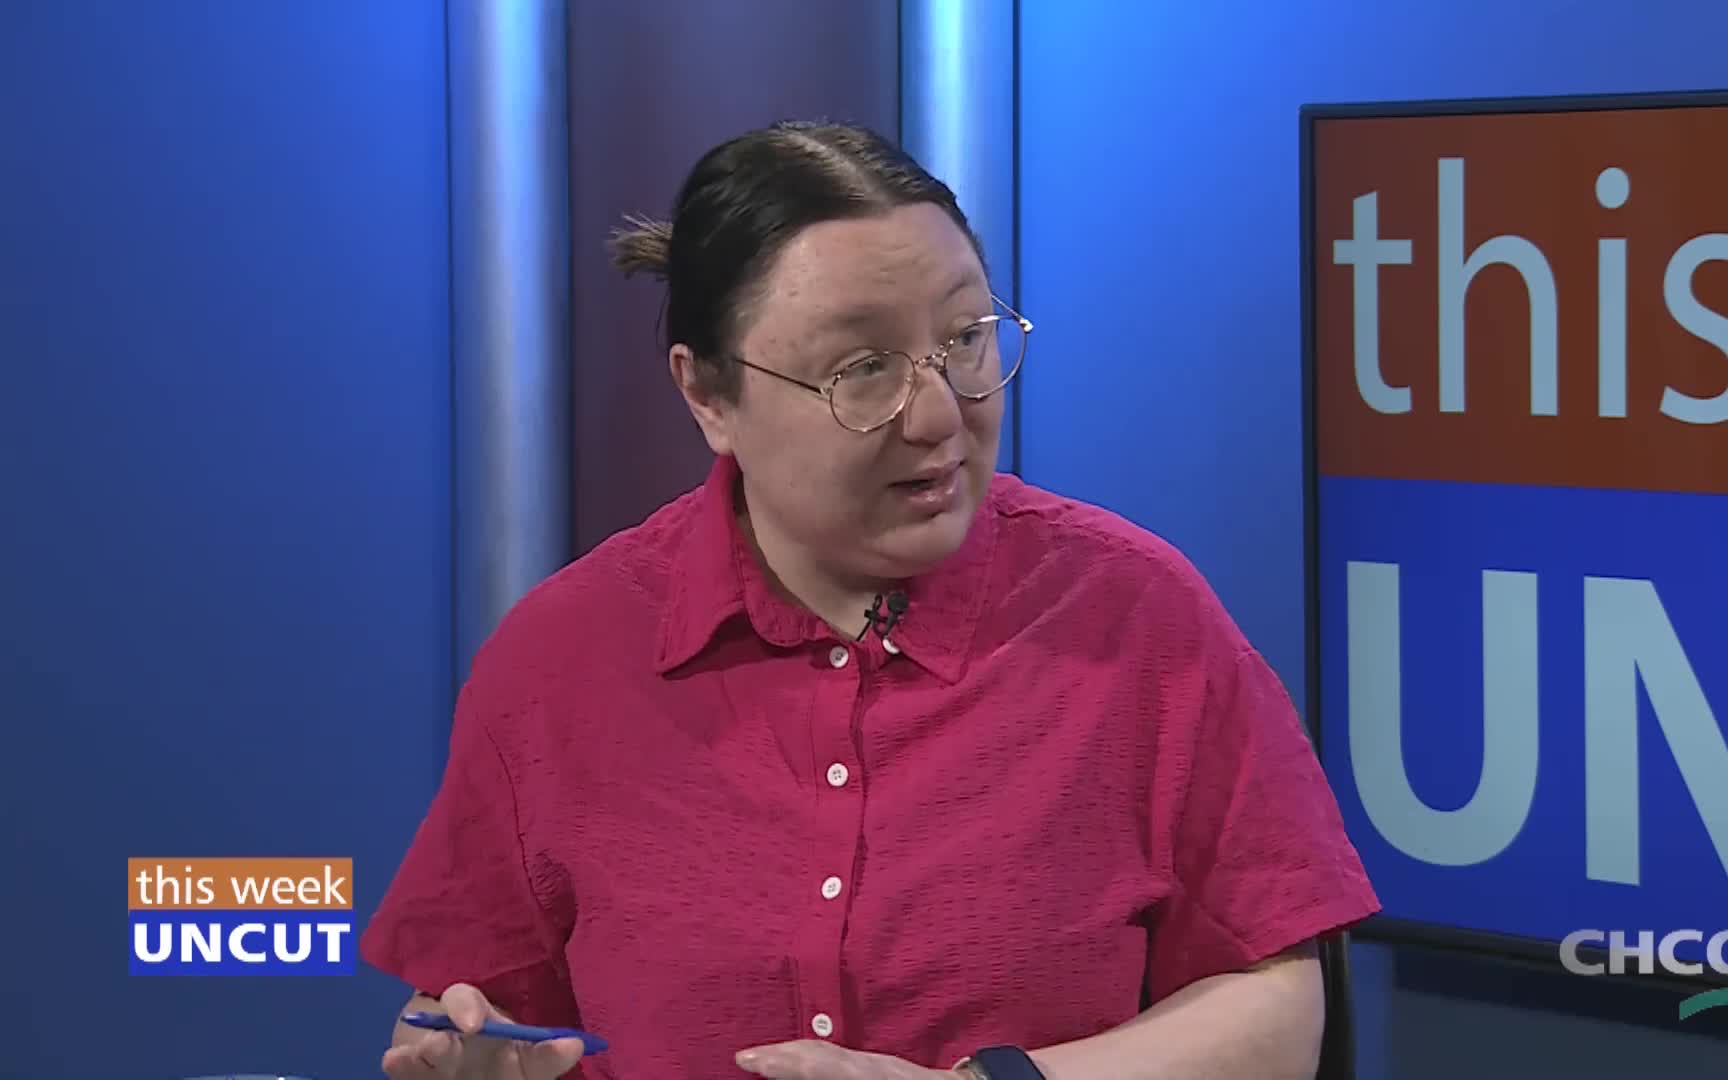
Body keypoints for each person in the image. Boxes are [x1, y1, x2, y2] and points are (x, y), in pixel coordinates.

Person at [365, 119, 1379, 1080]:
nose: (939, 416)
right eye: (863, 370)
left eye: (966, 340)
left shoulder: (1136, 620)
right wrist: (466, 1055)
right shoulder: (561, 661)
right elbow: (469, 1011)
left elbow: (1277, 1010)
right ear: (708, 396)